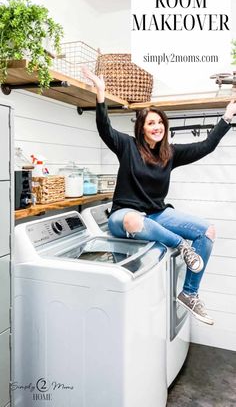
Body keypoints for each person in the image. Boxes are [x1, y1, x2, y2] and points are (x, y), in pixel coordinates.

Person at [83, 66, 236, 325]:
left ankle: (189, 293)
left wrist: (227, 117)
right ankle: (181, 246)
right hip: (124, 215)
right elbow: (104, 127)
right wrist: (100, 93)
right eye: (150, 123)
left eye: (160, 123)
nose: (157, 127)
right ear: (141, 128)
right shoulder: (127, 146)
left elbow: (206, 146)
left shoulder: (170, 154)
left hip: (157, 214)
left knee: (207, 231)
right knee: (135, 221)